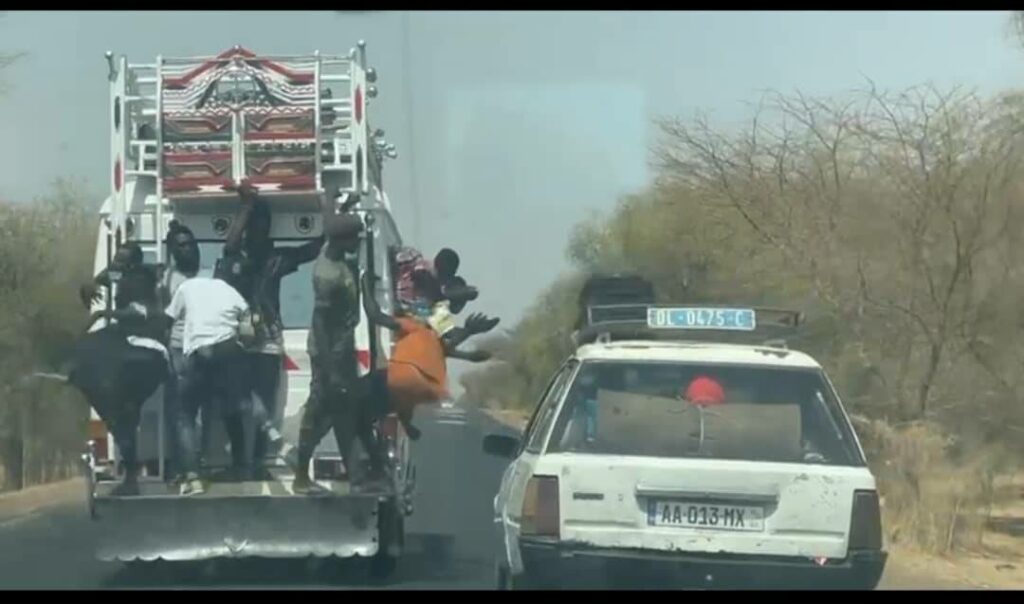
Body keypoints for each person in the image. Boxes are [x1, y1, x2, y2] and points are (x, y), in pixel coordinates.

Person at [222, 179, 324, 476]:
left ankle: (253, 462)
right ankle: (244, 461)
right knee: (241, 402)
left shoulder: (276, 258)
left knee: (260, 402)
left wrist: (327, 210)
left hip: (266, 339)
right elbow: (230, 245)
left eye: (262, 225)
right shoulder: (242, 256)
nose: (258, 230)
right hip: (240, 339)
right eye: (254, 224)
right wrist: (246, 207)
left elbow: (314, 248)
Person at [65, 242, 169, 496]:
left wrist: (103, 314)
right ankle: (129, 469)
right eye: (116, 258)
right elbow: (103, 278)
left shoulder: (142, 278)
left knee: (124, 408)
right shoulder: (118, 272)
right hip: (121, 342)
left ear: (133, 262)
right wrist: (89, 285)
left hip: (144, 344)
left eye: (122, 260)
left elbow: (143, 313)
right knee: (120, 413)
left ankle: (131, 470)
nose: (116, 263)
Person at [292, 211, 367, 494]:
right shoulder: (327, 274)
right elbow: (320, 325)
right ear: (341, 239)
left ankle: (357, 478)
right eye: (353, 237)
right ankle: (301, 474)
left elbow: (328, 221)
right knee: (318, 414)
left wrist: (336, 203)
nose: (357, 242)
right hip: (329, 355)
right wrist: (330, 370)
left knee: (347, 413)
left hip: (343, 350)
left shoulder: (338, 255)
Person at [165, 273, 252, 495]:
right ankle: (240, 466)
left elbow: (168, 319)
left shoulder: (186, 287)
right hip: (228, 348)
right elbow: (248, 329)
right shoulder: (230, 291)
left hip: (200, 351)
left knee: (185, 415)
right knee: (232, 409)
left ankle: (193, 477)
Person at [158, 221, 201, 481]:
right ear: (174, 251)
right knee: (180, 412)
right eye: (181, 246)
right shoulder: (169, 279)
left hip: (206, 351)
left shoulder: (207, 275)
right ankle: (184, 468)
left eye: (191, 245)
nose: (188, 250)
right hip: (179, 351)